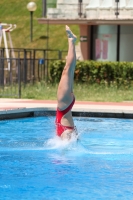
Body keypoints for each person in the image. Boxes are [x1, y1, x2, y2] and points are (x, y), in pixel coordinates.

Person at [55, 25, 78, 140]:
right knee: (67, 69)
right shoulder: (67, 134)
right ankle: (71, 41)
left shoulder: (67, 134)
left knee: (69, 69)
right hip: (64, 106)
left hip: (65, 110)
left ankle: (72, 41)